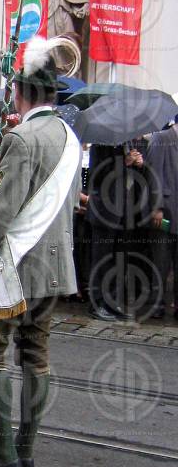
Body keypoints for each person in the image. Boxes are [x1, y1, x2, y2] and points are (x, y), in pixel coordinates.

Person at [0, 38, 81, 467]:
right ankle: (25, 452)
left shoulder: (21, 138)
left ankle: (2, 452)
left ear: (20, 90)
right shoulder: (69, 137)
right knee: (35, 355)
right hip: (53, 270)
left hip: (15, 269)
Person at [85, 139, 152, 321]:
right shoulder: (101, 145)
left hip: (126, 211)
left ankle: (112, 302)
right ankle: (96, 303)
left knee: (118, 259)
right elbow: (97, 176)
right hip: (105, 212)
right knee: (102, 259)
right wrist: (124, 162)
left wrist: (139, 165)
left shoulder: (130, 144)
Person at [144, 125, 178, 319]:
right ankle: (156, 305)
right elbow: (153, 174)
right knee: (160, 263)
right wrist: (156, 207)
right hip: (164, 212)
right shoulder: (161, 138)